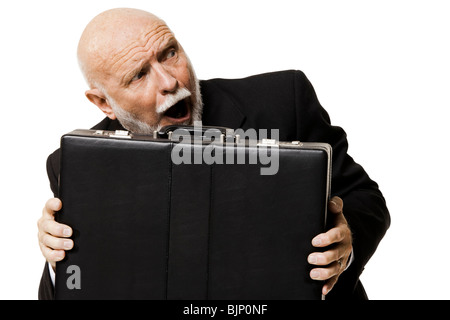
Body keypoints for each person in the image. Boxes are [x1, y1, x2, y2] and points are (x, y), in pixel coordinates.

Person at [37, 8, 390, 300]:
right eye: (139, 75)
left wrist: (347, 245)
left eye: (169, 53)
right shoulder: (78, 163)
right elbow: (76, 288)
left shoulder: (284, 101)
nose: (169, 82)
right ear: (103, 102)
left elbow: (365, 198)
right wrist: (60, 262)